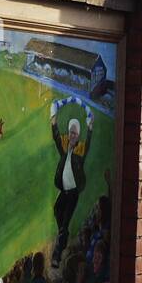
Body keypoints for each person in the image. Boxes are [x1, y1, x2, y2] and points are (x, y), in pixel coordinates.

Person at [50, 101, 93, 268]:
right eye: (71, 132)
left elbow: (87, 145)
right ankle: (64, 234)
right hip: (64, 190)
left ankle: (57, 255)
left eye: (75, 133)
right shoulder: (64, 146)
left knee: (65, 222)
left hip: (73, 193)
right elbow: (55, 137)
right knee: (56, 210)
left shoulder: (80, 150)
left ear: (78, 134)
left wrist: (90, 128)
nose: (73, 135)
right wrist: (53, 121)